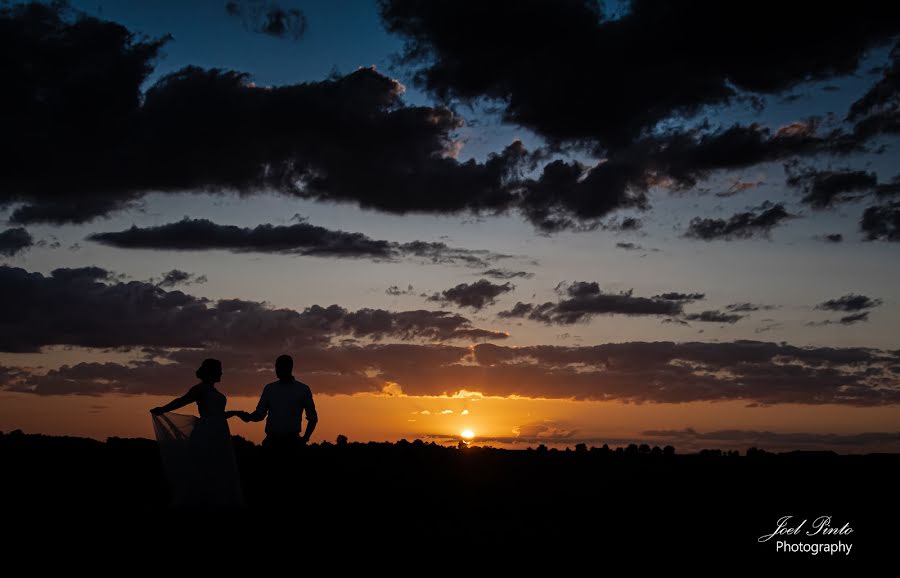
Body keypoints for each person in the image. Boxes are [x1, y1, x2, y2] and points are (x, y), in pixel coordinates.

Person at [150, 358, 244, 509]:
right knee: (204, 466)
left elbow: (218, 414)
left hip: (220, 432)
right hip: (206, 432)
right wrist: (162, 409)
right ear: (211, 372)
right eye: (219, 370)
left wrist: (234, 413)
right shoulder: (200, 389)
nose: (221, 372)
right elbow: (182, 401)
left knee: (218, 468)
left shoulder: (214, 391)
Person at [240, 354, 317, 452]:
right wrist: (248, 417)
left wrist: (305, 439)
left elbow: (313, 418)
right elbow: (260, 414)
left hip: (291, 443)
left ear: (288, 367)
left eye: (278, 367)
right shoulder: (270, 389)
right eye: (276, 367)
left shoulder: (302, 390)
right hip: (273, 442)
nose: (276, 370)